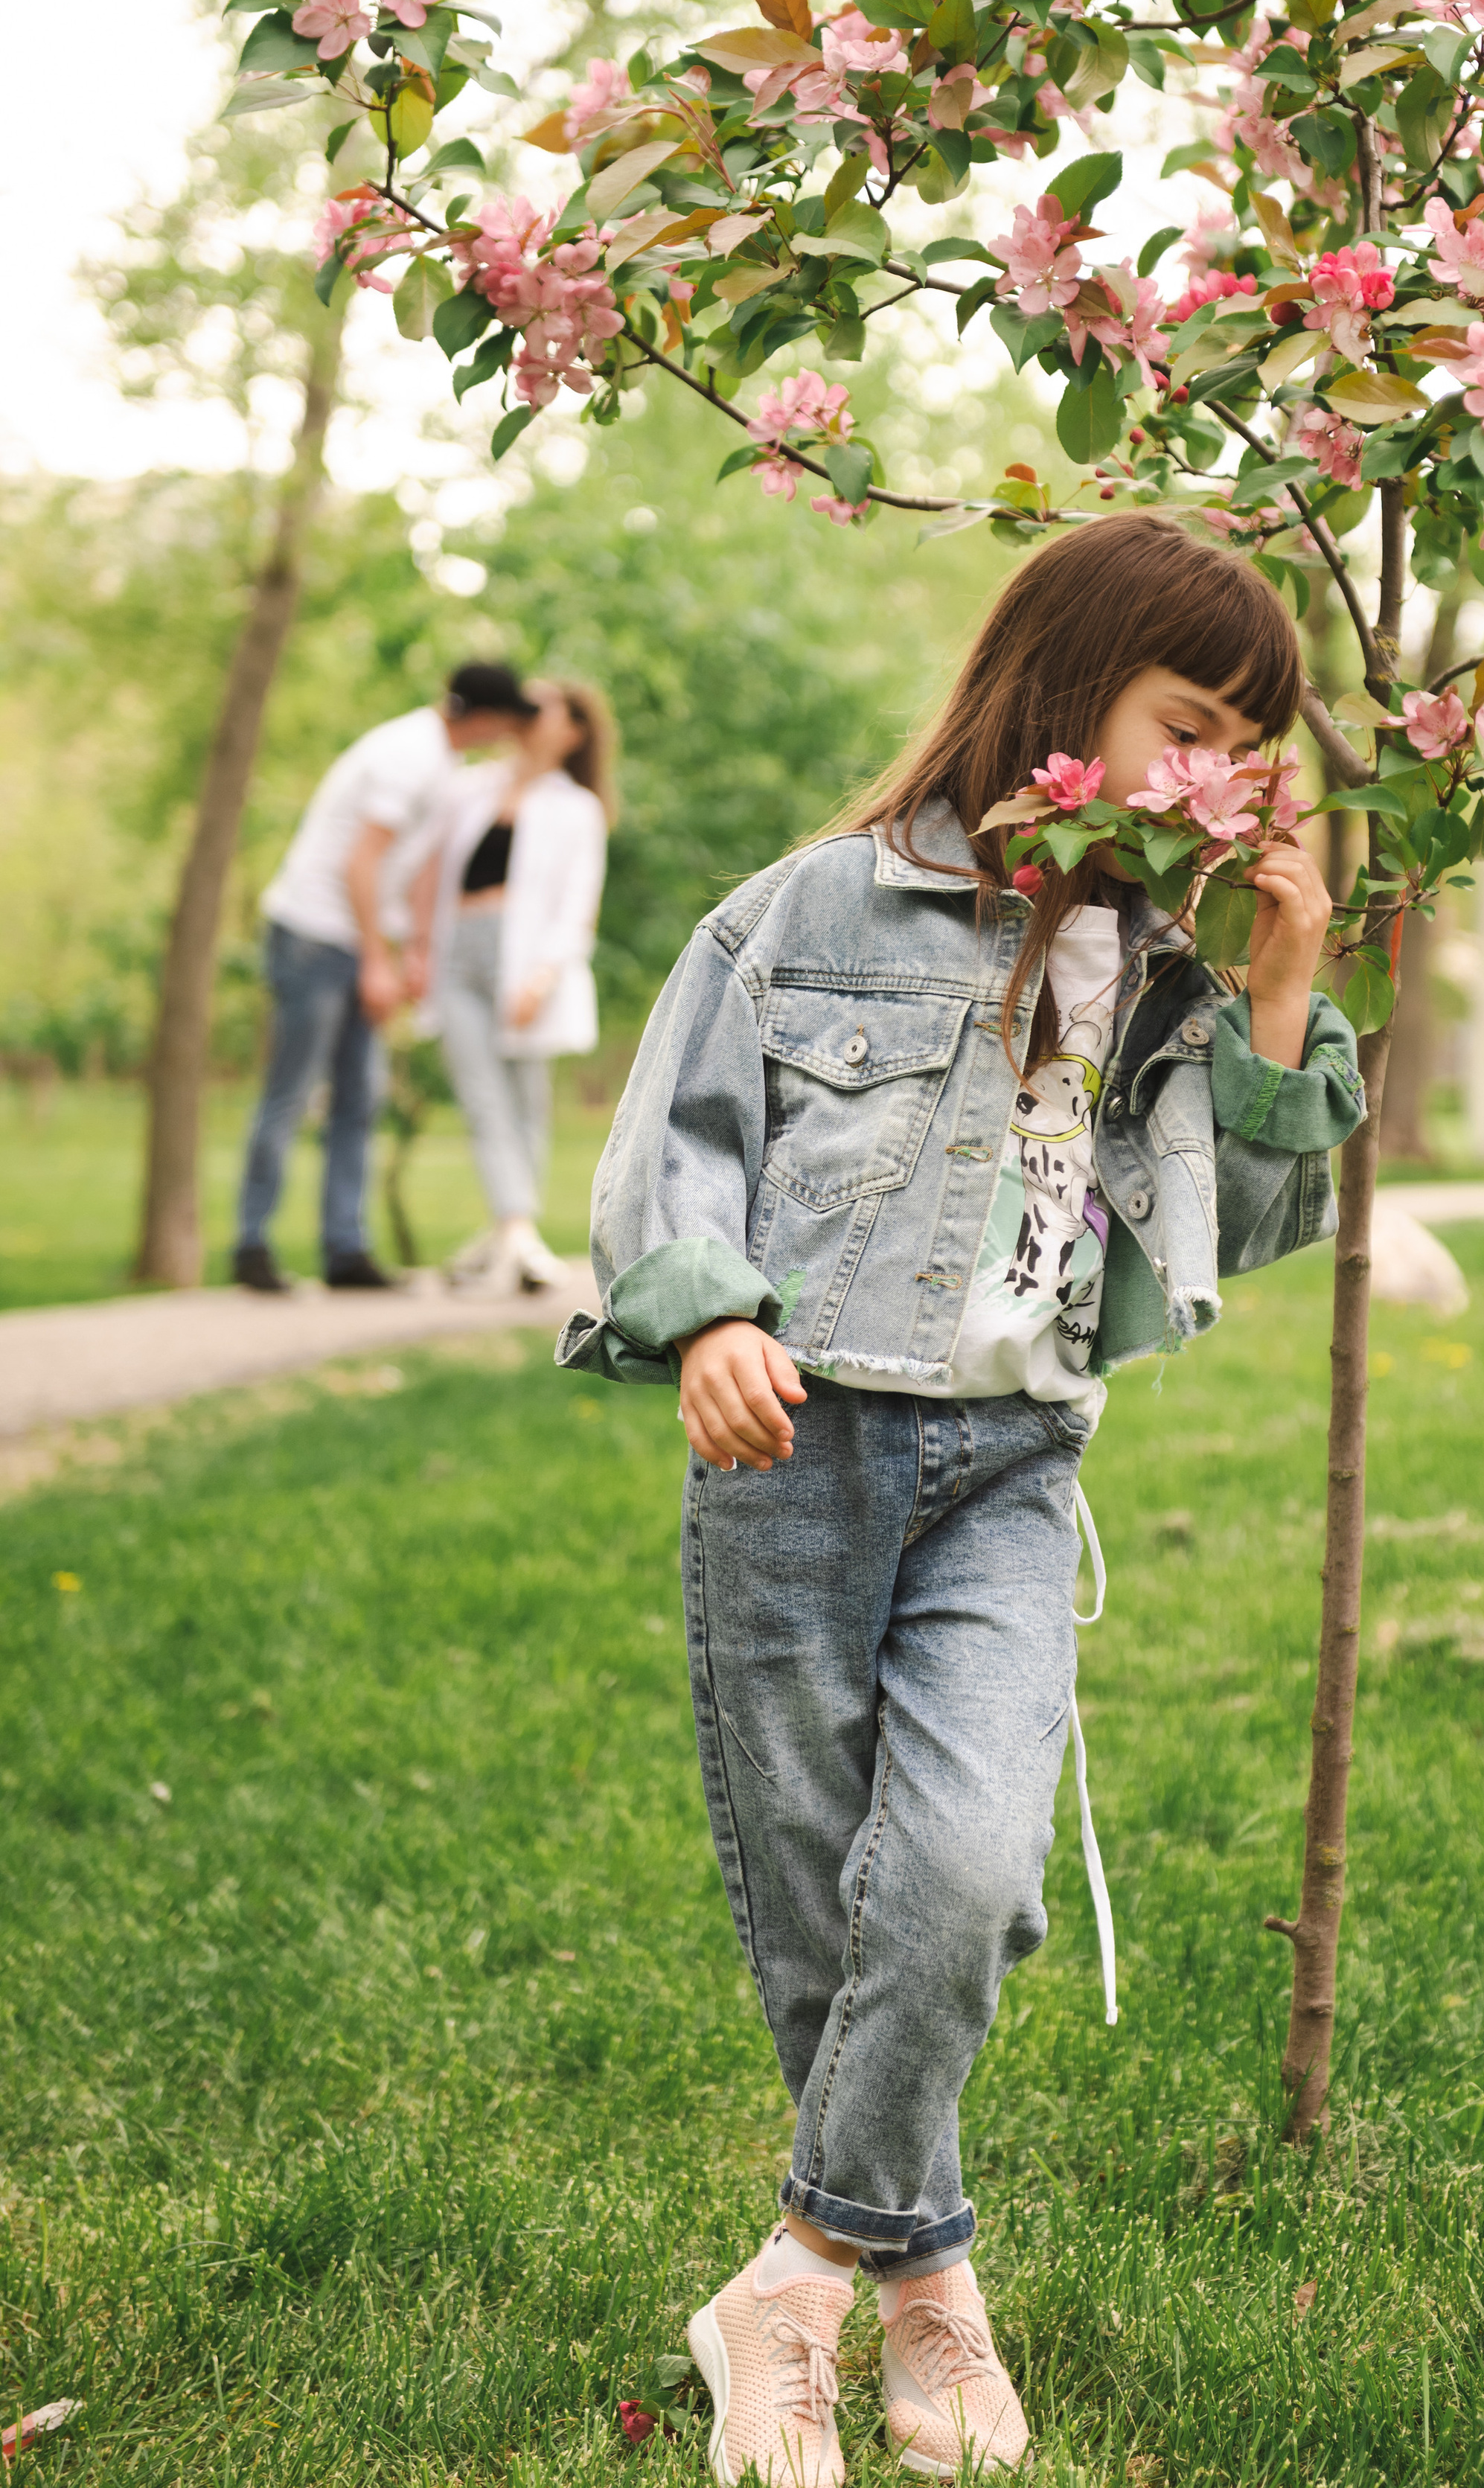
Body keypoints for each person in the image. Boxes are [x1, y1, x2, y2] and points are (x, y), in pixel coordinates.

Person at [557, 515, 1364, 2486]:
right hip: (800, 1453)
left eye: (1255, 757)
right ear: (1068, 689)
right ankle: (933, 2292)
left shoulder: (1162, 971)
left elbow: (1243, 1224)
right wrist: (705, 1323)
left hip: (1014, 1464)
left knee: (970, 1876)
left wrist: (1280, 977)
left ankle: (793, 2277)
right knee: (844, 1921)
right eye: (1194, 729)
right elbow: (679, 1143)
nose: (1223, 786)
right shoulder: (815, 907)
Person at [233, 660, 536, 1293]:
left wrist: (411, 950)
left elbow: (412, 866)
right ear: (485, 717)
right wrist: (378, 958)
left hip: (351, 939)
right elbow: (361, 864)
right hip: (315, 936)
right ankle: (251, 1245)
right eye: (505, 723)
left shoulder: (438, 761)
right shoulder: (408, 755)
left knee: (359, 1096)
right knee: (292, 1093)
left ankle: (346, 1250)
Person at [413, 679, 615, 1295]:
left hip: (524, 964)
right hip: (460, 958)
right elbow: (427, 870)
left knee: (526, 1106)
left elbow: (577, 905)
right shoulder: (469, 788)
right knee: (483, 1099)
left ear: (573, 731)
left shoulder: (576, 807)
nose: (528, 717)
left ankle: (509, 1238)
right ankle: (517, 1235)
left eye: (543, 707)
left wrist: (543, 975)